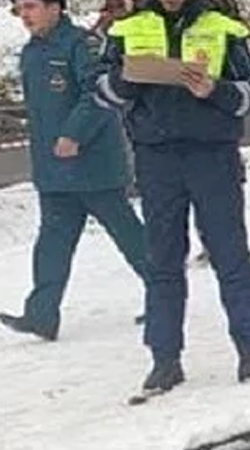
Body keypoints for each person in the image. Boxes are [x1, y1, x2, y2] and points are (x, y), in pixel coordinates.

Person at [95, 0, 250, 394]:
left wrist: (215, 90)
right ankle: (165, 359)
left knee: (230, 254)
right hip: (156, 158)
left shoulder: (224, 27)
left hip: (213, 155)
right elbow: (102, 92)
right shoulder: (126, 29)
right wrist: (129, 80)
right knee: (163, 260)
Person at [0, 0, 147, 342]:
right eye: (20, 9)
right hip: (53, 170)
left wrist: (73, 134)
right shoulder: (31, 53)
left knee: (129, 236)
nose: (25, 16)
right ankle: (41, 315)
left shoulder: (82, 45)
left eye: (31, 7)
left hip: (93, 165)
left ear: (55, 7)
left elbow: (98, 94)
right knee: (51, 243)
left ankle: (166, 295)